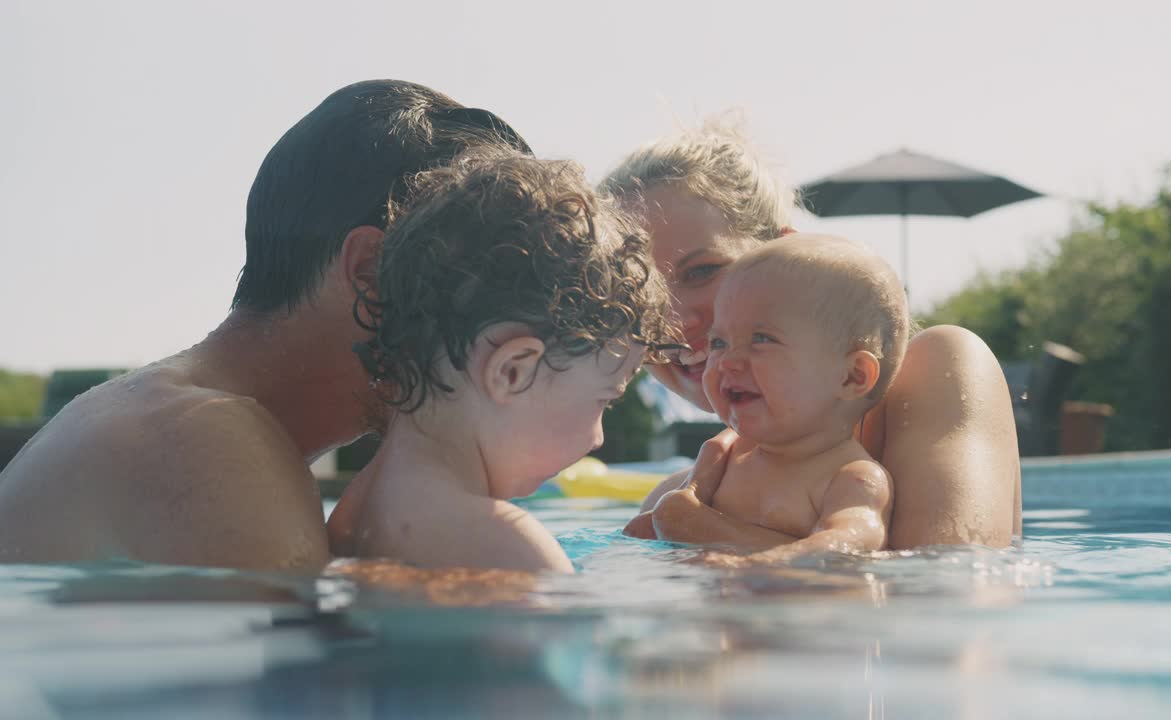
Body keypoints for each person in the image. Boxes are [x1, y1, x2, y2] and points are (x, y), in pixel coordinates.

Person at [0, 80, 532, 570]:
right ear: (372, 273)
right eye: (498, 290)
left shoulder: (170, 419)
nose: (525, 340)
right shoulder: (207, 451)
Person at [603, 120, 1022, 550]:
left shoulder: (941, 367)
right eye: (641, 290)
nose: (672, 320)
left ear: (782, 254)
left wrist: (701, 530)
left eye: (703, 271)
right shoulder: (675, 496)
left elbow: (950, 588)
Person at [327, 150, 673, 572]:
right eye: (604, 400)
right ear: (513, 371)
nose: (599, 438)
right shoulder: (507, 545)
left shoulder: (349, 516)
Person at [638, 234, 908, 561]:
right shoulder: (722, 457)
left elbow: (849, 544)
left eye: (762, 339)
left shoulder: (851, 479)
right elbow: (653, 529)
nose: (727, 362)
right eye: (719, 343)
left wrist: (761, 563)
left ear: (852, 376)